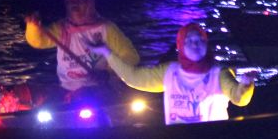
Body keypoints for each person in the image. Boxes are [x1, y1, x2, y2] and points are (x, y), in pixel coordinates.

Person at [92, 22, 253, 125]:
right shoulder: (169, 71)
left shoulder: (219, 73)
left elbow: (239, 98)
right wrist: (107, 53)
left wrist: (245, 85)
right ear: (181, 46)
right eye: (189, 41)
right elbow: (133, 77)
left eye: (199, 40)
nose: (195, 44)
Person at [25, 0, 140, 101]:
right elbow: (38, 41)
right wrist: (32, 26)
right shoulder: (61, 28)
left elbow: (131, 57)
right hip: (66, 90)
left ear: (89, 3)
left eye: (80, 0)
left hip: (97, 90)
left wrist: (108, 74)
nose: (74, 4)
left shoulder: (106, 28)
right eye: (71, 1)